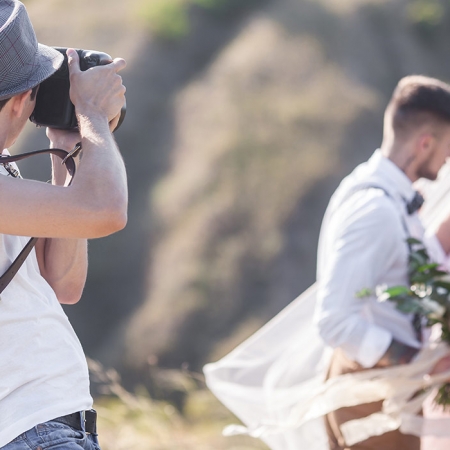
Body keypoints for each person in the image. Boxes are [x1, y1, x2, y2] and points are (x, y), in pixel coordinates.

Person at [0, 1, 127, 449]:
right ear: (19, 101)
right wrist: (91, 114)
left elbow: (62, 283)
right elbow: (106, 211)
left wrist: (72, 146)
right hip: (28, 430)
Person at [315, 75, 450, 450]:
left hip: (389, 390)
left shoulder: (390, 197)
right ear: (425, 143)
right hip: (369, 396)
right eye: (449, 147)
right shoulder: (375, 210)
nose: (449, 158)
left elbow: (400, 271)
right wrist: (421, 360)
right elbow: (334, 320)